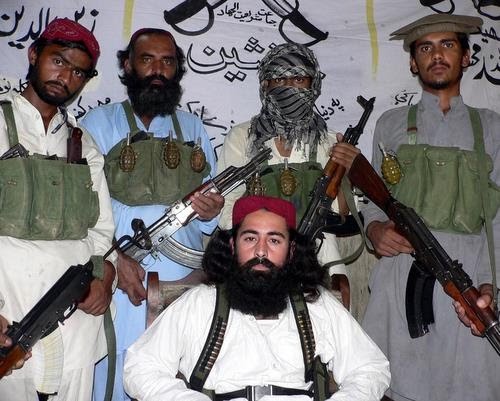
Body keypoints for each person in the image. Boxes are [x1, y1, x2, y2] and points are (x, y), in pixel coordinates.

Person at [123, 195, 390, 400]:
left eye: (274, 240)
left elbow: (371, 368)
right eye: (250, 239)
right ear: (232, 245)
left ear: (291, 250)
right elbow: (140, 367)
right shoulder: (200, 304)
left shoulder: (317, 305)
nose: (261, 251)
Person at [361, 14, 500, 401]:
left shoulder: (492, 128)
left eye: (448, 45)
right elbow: (374, 199)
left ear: (466, 57)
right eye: (425, 48)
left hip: (470, 273)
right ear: (413, 62)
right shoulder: (390, 124)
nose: (437, 55)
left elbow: (499, 218)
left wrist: (489, 283)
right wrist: (374, 230)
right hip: (403, 273)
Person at [80, 28, 224, 401]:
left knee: (173, 378)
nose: (158, 70)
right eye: (147, 60)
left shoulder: (192, 127)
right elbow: (82, 207)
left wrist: (211, 210)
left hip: (181, 283)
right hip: (118, 277)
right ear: (128, 66)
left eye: (168, 62)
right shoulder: (96, 124)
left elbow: (210, 212)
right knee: (112, 374)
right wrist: (116, 259)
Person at [0, 18, 116, 401]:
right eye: (58, 61)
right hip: (8, 315)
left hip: (74, 326)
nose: (65, 76)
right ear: (34, 55)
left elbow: (101, 232)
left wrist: (102, 277)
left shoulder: (84, 145)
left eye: (78, 71)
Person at [217, 43, 360, 309]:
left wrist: (346, 171)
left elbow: (343, 213)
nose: (289, 87)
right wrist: (270, 240)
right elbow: (227, 211)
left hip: (321, 260)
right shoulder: (242, 137)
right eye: (279, 79)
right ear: (265, 85)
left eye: (298, 79)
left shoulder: (330, 142)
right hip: (258, 262)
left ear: (313, 85)